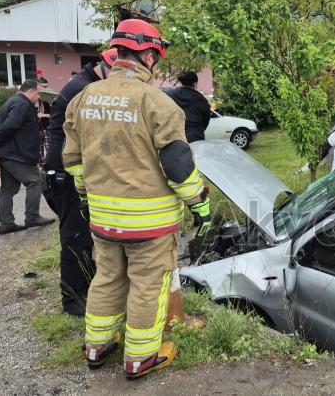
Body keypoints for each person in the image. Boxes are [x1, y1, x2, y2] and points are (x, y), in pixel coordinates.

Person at [63, 19, 210, 379]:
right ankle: (140, 358)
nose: (155, 66)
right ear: (147, 55)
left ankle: (97, 346)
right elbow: (177, 165)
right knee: (148, 285)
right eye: (156, 59)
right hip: (150, 224)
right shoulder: (156, 102)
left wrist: (88, 196)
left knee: (107, 278)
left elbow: (74, 161)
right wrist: (200, 204)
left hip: (103, 219)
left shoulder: (83, 98)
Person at [44, 48, 117, 317]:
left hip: (71, 170)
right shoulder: (83, 91)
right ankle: (73, 299)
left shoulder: (89, 84)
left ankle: (86, 286)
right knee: (75, 236)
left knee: (84, 234)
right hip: (65, 172)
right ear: (104, 67)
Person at [0, 79, 55, 235]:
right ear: (30, 91)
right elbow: (6, 127)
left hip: (7, 154)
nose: (38, 97)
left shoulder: (12, 101)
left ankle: (6, 224)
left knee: (8, 188)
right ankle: (32, 217)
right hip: (17, 155)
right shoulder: (23, 105)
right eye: (38, 93)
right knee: (35, 180)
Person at [163, 70, 211, 142]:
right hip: (196, 139)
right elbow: (206, 121)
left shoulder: (169, 96)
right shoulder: (202, 101)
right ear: (194, 84)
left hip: (174, 139)